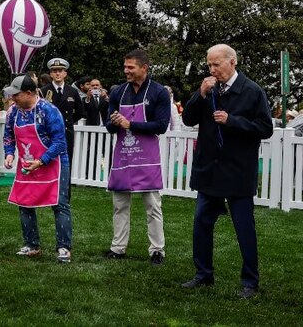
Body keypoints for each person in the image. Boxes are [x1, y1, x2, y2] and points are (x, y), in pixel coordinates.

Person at [181, 44, 273, 299]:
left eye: (216, 64)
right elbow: (188, 119)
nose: (212, 70)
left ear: (232, 62)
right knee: (201, 223)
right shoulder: (208, 89)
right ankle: (203, 274)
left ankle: (250, 282)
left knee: (244, 226)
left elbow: (265, 128)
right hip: (209, 168)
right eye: (209, 65)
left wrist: (232, 121)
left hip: (237, 169)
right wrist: (199, 95)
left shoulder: (252, 91)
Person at [104, 49, 171, 266]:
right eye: (125, 67)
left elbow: (161, 126)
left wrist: (130, 124)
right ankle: (118, 247)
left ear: (144, 68)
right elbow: (108, 126)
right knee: (119, 205)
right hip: (123, 157)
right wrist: (114, 122)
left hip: (147, 158)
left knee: (153, 206)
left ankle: (157, 250)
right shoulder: (118, 92)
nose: (126, 71)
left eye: (130, 67)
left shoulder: (159, 92)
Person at [3, 74, 73, 263]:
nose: (13, 98)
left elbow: (60, 143)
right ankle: (31, 245)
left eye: (16, 95)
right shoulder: (13, 112)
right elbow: (8, 135)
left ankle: (64, 248)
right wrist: (9, 153)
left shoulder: (49, 110)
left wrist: (41, 161)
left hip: (54, 164)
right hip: (27, 164)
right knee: (24, 204)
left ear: (29, 93)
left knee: (60, 205)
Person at [40, 58, 84, 190]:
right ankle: (48, 195)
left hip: (66, 133)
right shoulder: (44, 91)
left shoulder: (72, 91)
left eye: (60, 71)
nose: (57, 73)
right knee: (48, 163)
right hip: (49, 135)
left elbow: (80, 112)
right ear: (51, 74)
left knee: (66, 164)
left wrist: (68, 122)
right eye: (54, 71)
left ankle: (65, 196)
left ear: (65, 73)